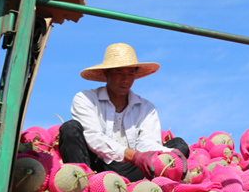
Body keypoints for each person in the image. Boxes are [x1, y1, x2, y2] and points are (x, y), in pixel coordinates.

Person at [59, 43, 189, 182]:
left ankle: (143, 186)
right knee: (70, 128)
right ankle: (82, 185)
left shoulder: (146, 108)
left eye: (131, 73)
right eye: (119, 72)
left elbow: (147, 143)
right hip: (95, 166)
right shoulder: (85, 99)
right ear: (106, 73)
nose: (125, 79)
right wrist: (133, 156)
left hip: (132, 170)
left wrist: (169, 154)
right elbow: (93, 138)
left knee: (179, 146)